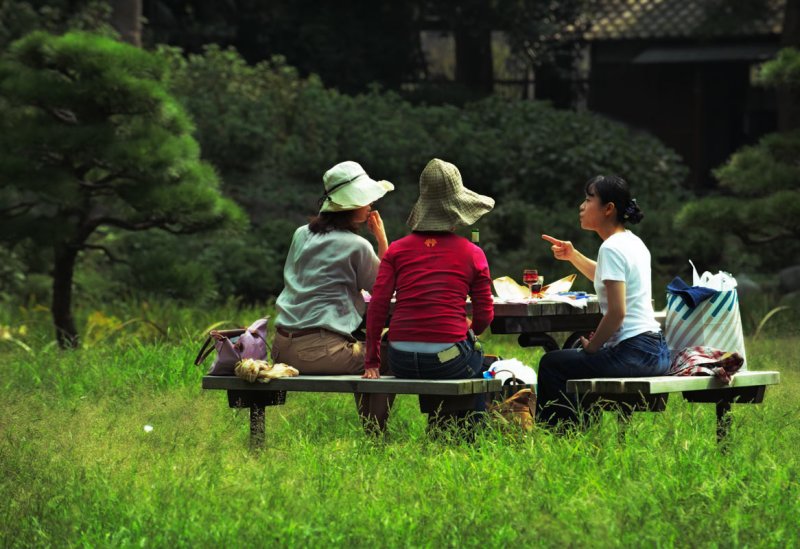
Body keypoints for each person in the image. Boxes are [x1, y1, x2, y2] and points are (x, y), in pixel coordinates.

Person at [537, 174, 670, 428]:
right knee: (571, 352)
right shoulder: (632, 242)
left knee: (552, 364)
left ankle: (564, 437)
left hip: (635, 353)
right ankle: (579, 430)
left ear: (608, 209)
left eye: (589, 199)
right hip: (656, 349)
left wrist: (593, 346)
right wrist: (573, 255)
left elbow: (617, 312)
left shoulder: (610, 248)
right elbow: (608, 276)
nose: (582, 206)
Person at [272, 160, 395, 433]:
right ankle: (375, 434)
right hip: (320, 351)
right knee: (387, 357)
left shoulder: (300, 235)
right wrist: (382, 241)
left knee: (366, 350)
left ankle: (374, 432)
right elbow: (383, 290)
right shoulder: (357, 245)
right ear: (352, 205)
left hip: (281, 345)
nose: (370, 206)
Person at [363, 158, 495, 398]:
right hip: (448, 360)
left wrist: (372, 360)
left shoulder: (397, 250)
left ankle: (441, 425)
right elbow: (485, 315)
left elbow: (378, 305)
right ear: (459, 210)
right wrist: (471, 331)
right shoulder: (473, 253)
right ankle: (460, 429)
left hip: (399, 359)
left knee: (461, 355)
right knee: (480, 358)